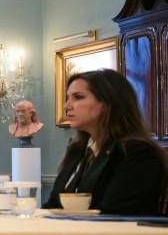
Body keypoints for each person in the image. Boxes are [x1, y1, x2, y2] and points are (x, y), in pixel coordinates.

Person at [45, 69, 167, 215]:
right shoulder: (77, 150)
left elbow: (116, 213)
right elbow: (53, 205)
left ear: (107, 103)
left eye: (78, 97)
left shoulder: (137, 152)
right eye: (67, 98)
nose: (67, 106)